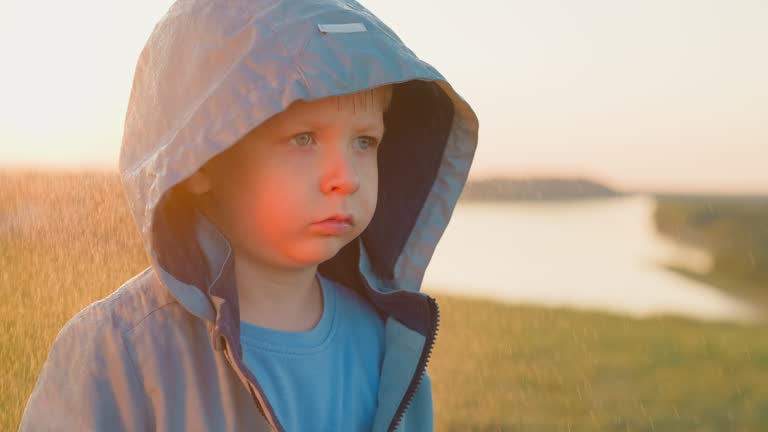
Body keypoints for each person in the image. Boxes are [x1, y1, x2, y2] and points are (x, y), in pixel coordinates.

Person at [18, 0, 479, 430]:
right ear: (199, 162)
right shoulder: (119, 351)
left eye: (364, 141)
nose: (346, 178)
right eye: (303, 138)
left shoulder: (387, 352)